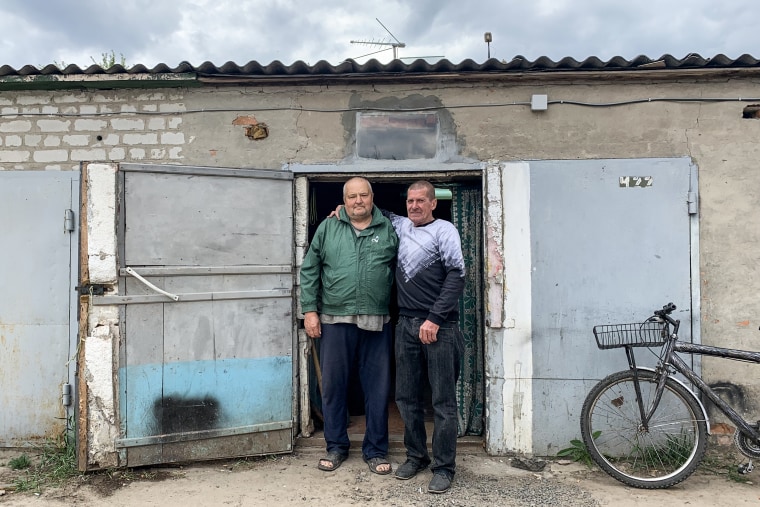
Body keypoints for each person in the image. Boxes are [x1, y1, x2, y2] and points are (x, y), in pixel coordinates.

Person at [299, 177, 398, 475]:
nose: (358, 201)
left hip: (377, 320)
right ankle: (336, 446)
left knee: (378, 389)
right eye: (352, 196)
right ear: (345, 200)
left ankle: (376, 450)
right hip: (334, 319)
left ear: (372, 198)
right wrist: (309, 311)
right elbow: (310, 270)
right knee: (333, 387)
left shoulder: (390, 228)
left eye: (363, 195)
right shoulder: (328, 227)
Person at [389, 180, 466, 494]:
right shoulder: (401, 225)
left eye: (421, 201)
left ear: (434, 203)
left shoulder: (444, 231)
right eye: (410, 201)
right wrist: (341, 209)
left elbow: (457, 276)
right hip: (405, 324)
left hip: (440, 327)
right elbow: (373, 211)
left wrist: (434, 319)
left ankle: (445, 467)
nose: (414, 206)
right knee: (406, 397)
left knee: (443, 402)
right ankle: (416, 456)